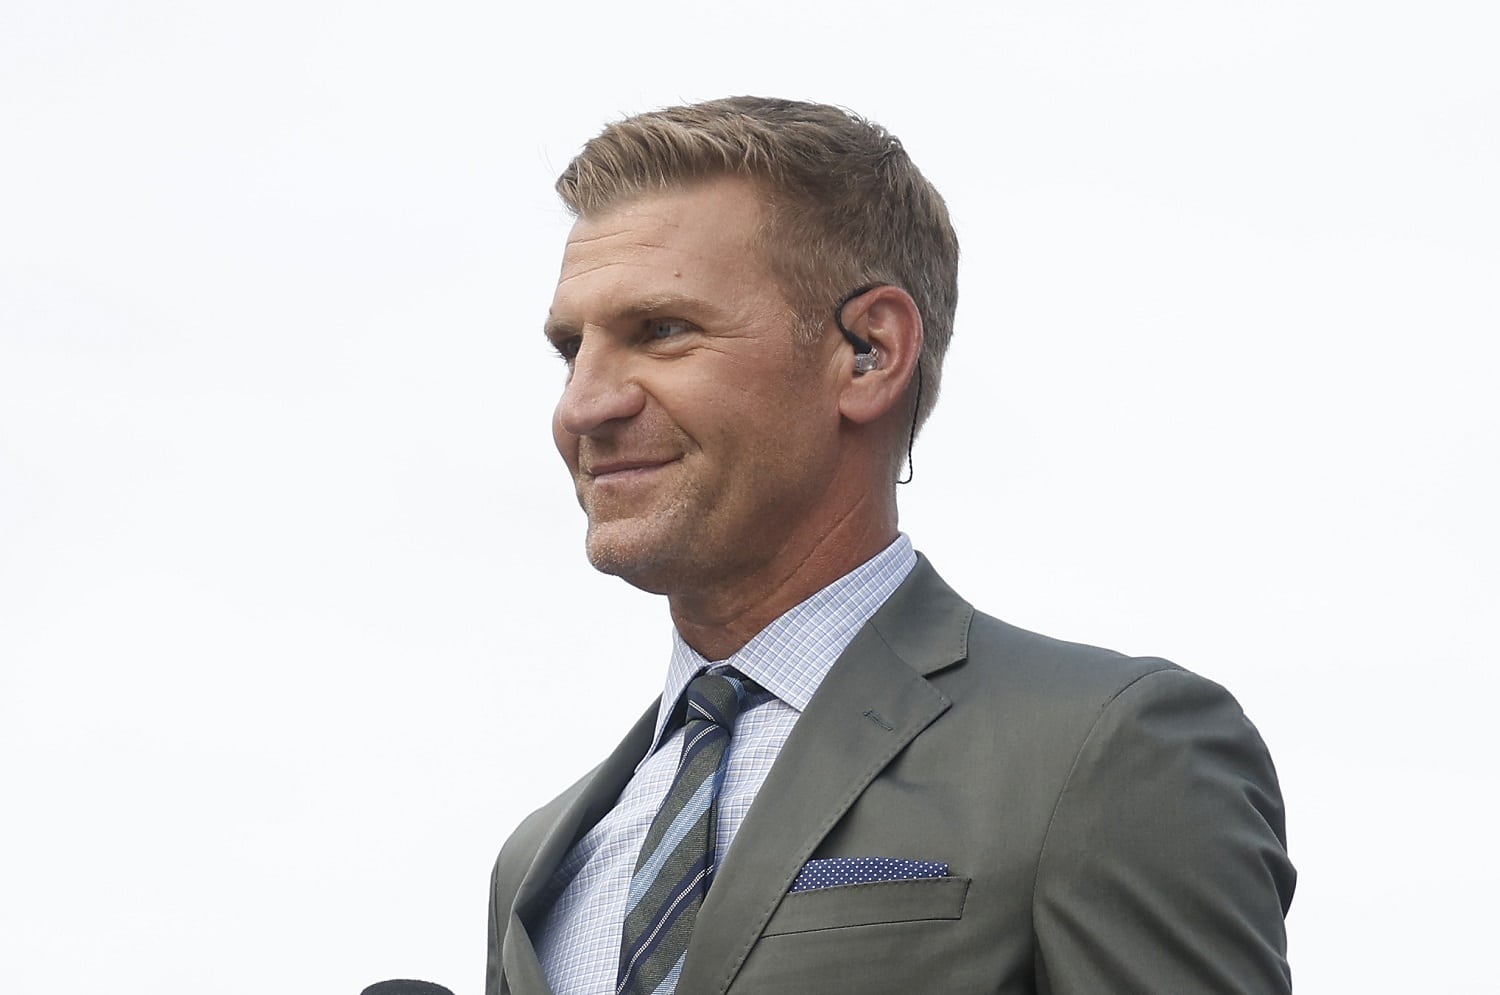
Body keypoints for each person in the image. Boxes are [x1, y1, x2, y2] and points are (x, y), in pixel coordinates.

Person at [486, 96, 1294, 995]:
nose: (584, 404)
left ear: (870, 351)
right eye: (571, 348)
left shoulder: (1104, 750)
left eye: (662, 331)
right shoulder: (540, 862)